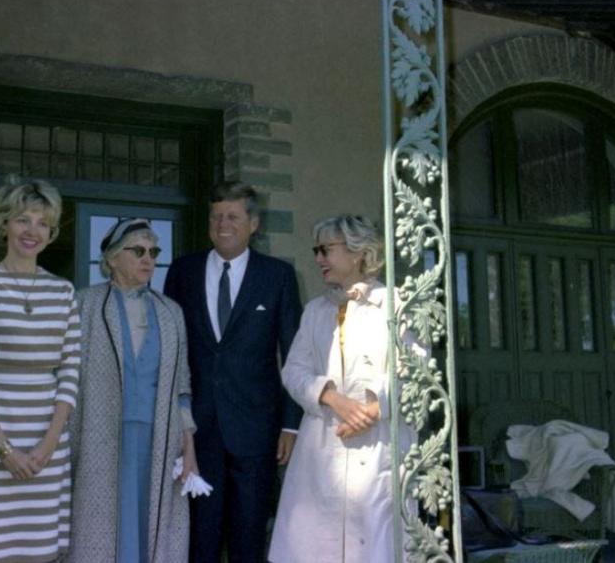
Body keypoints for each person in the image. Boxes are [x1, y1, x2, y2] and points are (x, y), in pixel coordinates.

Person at [268, 214, 424, 563]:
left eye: (326, 249)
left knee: (374, 543)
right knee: (316, 545)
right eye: (316, 250)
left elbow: (416, 372)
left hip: (378, 445)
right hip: (323, 445)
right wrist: (330, 397)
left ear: (358, 253)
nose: (319, 258)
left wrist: (371, 410)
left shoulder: (397, 307)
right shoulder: (314, 311)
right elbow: (293, 370)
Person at [163, 181, 303, 563]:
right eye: (217, 216)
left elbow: (293, 354)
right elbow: (171, 349)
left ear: (253, 223)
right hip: (197, 432)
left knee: (249, 538)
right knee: (200, 540)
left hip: (257, 431)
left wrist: (291, 424)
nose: (223, 224)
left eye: (233, 216)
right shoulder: (183, 271)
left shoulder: (277, 276)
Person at [0, 176, 80, 563]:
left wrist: (48, 445)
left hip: (46, 444)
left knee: (36, 551)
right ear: (4, 222)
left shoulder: (63, 292)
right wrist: (4, 449)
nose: (32, 231)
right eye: (24, 219)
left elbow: (71, 372)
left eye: (43, 223)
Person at [69, 218, 197, 563]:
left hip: (159, 440)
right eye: (138, 251)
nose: (149, 259)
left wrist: (190, 449)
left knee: (153, 531)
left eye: (153, 252)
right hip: (98, 438)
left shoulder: (172, 312)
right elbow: (66, 381)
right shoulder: (84, 305)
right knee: (99, 526)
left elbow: (182, 387)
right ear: (111, 258)